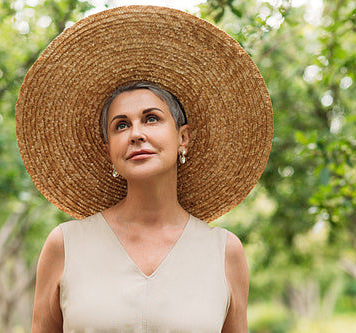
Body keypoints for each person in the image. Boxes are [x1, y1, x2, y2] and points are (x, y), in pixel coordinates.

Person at [15, 5, 273, 333]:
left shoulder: (224, 252)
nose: (136, 133)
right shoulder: (65, 245)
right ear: (109, 151)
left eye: (151, 118)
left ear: (183, 138)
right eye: (121, 125)